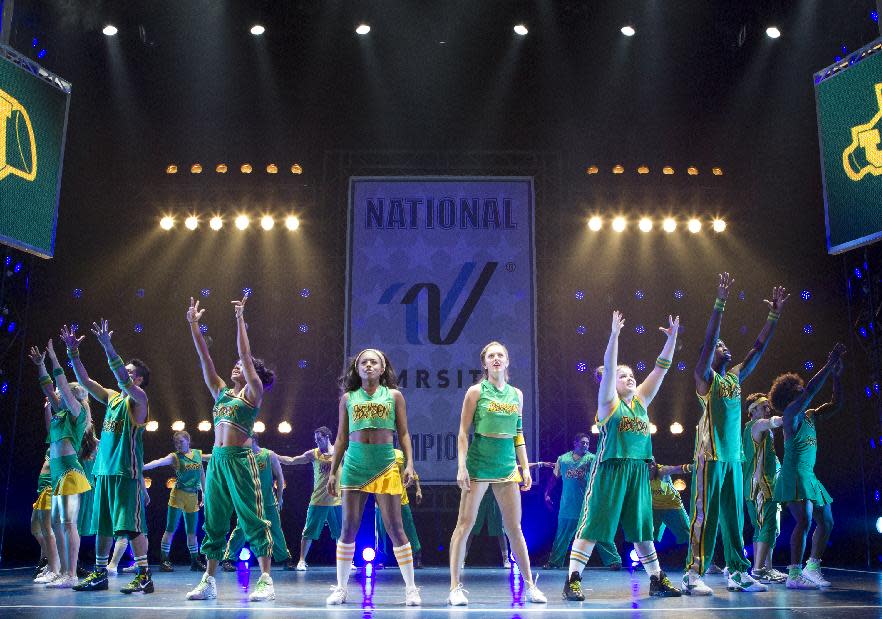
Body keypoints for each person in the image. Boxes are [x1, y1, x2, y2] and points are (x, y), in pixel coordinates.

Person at [563, 313, 681, 601]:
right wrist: (614, 335)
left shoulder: (640, 402)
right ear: (610, 382)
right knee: (593, 524)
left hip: (638, 471)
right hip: (610, 470)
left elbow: (661, 369)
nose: (629, 378)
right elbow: (610, 369)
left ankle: (656, 578)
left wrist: (672, 338)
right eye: (622, 375)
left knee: (642, 527)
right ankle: (573, 579)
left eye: (631, 375)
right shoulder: (608, 405)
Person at [683, 274, 788, 595]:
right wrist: (720, 302)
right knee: (706, 516)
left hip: (733, 460)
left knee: (734, 521)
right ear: (707, 355)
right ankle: (692, 574)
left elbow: (758, 348)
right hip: (709, 457)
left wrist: (774, 315)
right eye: (718, 345)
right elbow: (710, 334)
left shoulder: (735, 377)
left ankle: (738, 572)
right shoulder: (705, 378)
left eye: (725, 344)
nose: (724, 345)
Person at [182, 295, 277, 602]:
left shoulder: (253, 392)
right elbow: (204, 360)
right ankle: (208, 580)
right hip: (218, 462)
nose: (237, 366)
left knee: (252, 517)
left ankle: (265, 579)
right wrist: (194, 325)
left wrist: (239, 319)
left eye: (242, 366)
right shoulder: (221, 393)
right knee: (214, 519)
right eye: (235, 365)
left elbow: (246, 355)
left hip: (240, 461)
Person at [447, 341, 546, 606]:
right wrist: (461, 467)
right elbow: (462, 433)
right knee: (464, 525)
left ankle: (530, 586)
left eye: (501, 354)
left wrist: (524, 467)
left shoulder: (517, 394)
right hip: (479, 464)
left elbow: (518, 434)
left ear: (507, 360)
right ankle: (455, 588)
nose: (496, 358)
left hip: (506, 465)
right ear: (485, 363)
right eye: (491, 355)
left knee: (514, 528)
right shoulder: (476, 392)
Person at [62, 320, 152, 595]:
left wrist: (107, 346)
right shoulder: (113, 397)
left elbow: (122, 378)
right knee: (103, 524)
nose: (123, 374)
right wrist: (72, 353)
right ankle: (100, 573)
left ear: (137, 379)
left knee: (131, 526)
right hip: (104, 471)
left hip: (126, 472)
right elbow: (86, 381)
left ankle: (145, 576)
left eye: (128, 372)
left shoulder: (139, 399)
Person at [325, 348, 420, 606]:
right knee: (348, 527)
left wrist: (410, 463)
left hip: (385, 464)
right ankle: (341, 588)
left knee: (395, 528)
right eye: (363, 362)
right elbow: (342, 437)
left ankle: (411, 588)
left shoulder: (394, 396)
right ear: (357, 369)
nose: (368, 365)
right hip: (355, 464)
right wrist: (333, 471)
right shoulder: (348, 398)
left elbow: (404, 433)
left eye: (373, 362)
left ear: (382, 368)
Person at [771, 344, 845, 589]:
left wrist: (836, 377)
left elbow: (837, 404)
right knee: (804, 521)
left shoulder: (811, 414)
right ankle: (793, 575)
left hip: (809, 475)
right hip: (794, 474)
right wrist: (828, 362)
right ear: (789, 394)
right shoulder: (791, 414)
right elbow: (811, 391)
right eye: (796, 387)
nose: (801, 386)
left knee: (828, 521)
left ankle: (812, 567)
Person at [30, 341, 93, 588]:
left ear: (74, 396)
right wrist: (41, 364)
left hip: (69, 471)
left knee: (67, 523)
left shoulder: (77, 413)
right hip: (56, 473)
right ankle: (62, 571)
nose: (58, 393)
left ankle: (71, 574)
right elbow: (48, 387)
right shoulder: (60, 414)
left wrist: (55, 357)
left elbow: (61, 387)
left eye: (64, 392)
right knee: (56, 523)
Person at [545, 433, 621, 570]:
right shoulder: (563, 459)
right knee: (562, 535)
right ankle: (554, 561)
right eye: (582, 443)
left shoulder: (592, 459)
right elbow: (554, 478)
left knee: (598, 532)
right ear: (575, 443)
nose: (585, 445)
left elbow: (603, 477)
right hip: (568, 505)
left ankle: (614, 560)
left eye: (587, 443)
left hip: (589, 505)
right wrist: (547, 493)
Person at [220, 435, 295, 569]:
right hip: (249, 502)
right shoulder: (242, 457)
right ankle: (228, 559)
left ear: (253, 440)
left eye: (244, 441)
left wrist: (280, 497)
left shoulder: (268, 455)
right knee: (241, 529)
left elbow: (279, 476)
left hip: (268, 500)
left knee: (275, 529)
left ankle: (284, 558)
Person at [277, 426, 342, 570]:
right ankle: (301, 560)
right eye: (316, 440)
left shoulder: (339, 452)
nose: (317, 442)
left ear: (327, 437)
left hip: (336, 500)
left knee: (341, 534)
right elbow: (292, 460)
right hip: (318, 500)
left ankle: (346, 562)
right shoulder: (313, 454)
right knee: (309, 532)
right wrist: (275, 456)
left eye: (319, 439)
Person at [142, 431, 206, 572]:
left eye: (181, 442)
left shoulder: (197, 454)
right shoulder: (174, 457)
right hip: (178, 495)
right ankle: (164, 560)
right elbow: (158, 462)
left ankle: (195, 561)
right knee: (170, 529)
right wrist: (144, 467)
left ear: (188, 441)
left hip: (192, 497)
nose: (178, 445)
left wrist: (204, 493)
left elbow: (202, 473)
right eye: (176, 443)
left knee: (192, 532)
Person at [742, 392, 787, 584]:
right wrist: (794, 411)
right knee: (767, 527)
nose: (768, 409)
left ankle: (766, 568)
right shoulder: (756, 424)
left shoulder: (760, 430)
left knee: (764, 529)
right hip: (759, 486)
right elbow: (777, 421)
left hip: (767, 485)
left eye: (768, 406)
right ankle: (759, 570)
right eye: (764, 407)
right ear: (753, 411)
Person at [375, 448, 423, 568]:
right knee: (381, 529)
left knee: (408, 527)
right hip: (382, 499)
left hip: (400, 498)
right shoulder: (375, 455)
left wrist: (418, 490)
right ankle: (382, 558)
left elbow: (412, 473)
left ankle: (416, 555)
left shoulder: (400, 454)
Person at [31, 447, 60, 582]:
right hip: (42, 490)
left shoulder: (67, 438)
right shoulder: (54, 439)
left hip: (50, 487)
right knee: (35, 528)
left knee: (47, 531)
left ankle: (53, 569)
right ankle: (51, 561)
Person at [649, 461, 692, 547]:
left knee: (687, 536)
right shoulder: (639, 474)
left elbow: (678, 469)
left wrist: (698, 466)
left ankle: (701, 558)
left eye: (651, 466)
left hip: (672, 507)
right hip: (654, 508)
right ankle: (651, 559)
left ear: (654, 465)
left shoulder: (662, 471)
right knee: (649, 538)